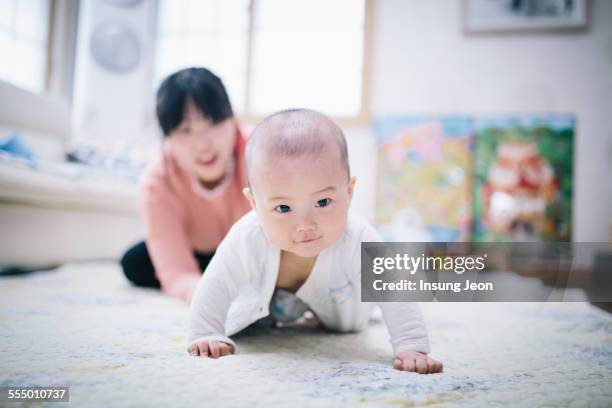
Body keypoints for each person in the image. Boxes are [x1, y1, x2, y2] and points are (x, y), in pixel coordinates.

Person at [187, 109, 443, 374]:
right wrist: (206, 331)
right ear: (254, 204)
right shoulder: (246, 236)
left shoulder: (358, 237)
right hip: (269, 314)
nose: (305, 224)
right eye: (284, 208)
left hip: (343, 309)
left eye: (322, 202)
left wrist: (411, 345)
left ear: (349, 192)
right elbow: (216, 281)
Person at [120, 67, 251, 303]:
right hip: (197, 251)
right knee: (135, 262)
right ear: (167, 139)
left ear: (233, 120)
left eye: (213, 123)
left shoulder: (260, 154)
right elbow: (177, 272)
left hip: (251, 251)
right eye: (186, 130)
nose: (203, 144)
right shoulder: (157, 180)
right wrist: (209, 296)